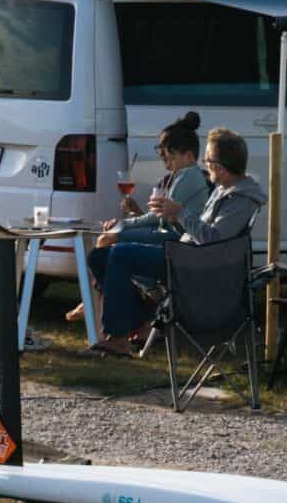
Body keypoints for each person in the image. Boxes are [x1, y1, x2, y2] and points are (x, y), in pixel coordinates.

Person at [80, 128, 265, 356]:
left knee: (119, 254)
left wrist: (180, 213)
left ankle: (117, 337)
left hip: (195, 265)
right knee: (99, 257)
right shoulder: (223, 190)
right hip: (186, 255)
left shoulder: (240, 198)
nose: (204, 165)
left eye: (207, 161)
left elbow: (214, 241)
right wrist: (178, 216)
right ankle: (143, 320)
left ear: (219, 167)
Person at [64, 111, 208, 325]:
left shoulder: (189, 175)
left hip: (178, 241)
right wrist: (137, 213)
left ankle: (99, 300)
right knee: (108, 239)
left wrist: (122, 224)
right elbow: (161, 218)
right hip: (172, 233)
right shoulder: (182, 176)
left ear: (187, 155)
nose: (167, 164)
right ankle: (109, 297)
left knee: (107, 239)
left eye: (170, 158)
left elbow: (162, 217)